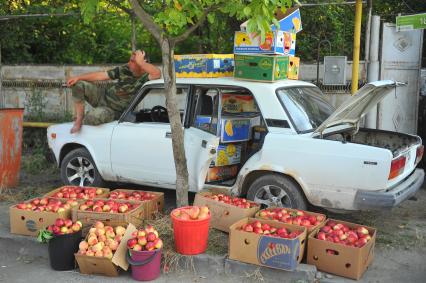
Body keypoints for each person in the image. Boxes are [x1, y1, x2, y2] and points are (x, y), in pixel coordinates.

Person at [67, 50, 161, 133]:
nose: (129, 63)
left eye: (133, 61)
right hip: (102, 96)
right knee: (78, 84)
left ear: (142, 63)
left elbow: (157, 73)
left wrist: (141, 63)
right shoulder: (125, 69)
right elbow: (102, 75)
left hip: (114, 110)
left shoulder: (146, 77)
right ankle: (79, 117)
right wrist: (78, 77)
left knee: (93, 117)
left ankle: (85, 118)